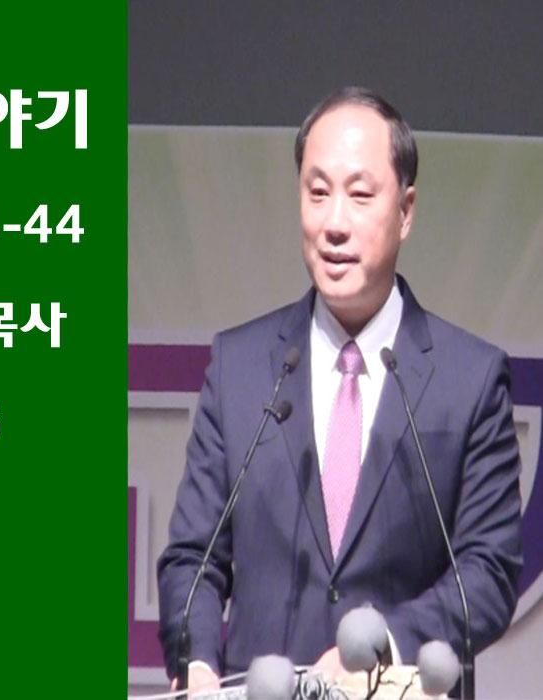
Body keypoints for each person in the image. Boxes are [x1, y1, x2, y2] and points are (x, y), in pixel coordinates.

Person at [156, 87, 523, 694]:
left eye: (359, 194)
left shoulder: (471, 379)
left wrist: (380, 645)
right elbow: (194, 556)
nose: (334, 224)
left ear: (406, 210)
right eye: (318, 192)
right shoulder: (241, 366)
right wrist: (196, 662)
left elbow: (488, 572)